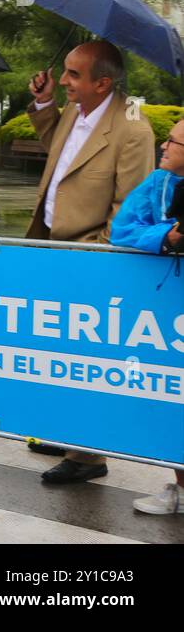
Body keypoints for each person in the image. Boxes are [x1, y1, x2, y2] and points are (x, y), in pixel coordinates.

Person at [24, 40, 155, 485]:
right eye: (63, 71)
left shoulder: (133, 129)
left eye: (73, 76)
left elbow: (130, 207)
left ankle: (87, 456)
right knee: (56, 351)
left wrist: (96, 254)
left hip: (89, 260)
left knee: (86, 357)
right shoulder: (75, 115)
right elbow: (58, 150)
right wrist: (45, 103)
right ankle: (68, 432)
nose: (63, 81)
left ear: (103, 82)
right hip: (50, 252)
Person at [108, 117, 184, 515]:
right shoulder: (157, 183)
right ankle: (181, 487)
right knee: (175, 395)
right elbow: (120, 232)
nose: (164, 147)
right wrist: (167, 236)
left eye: (173, 142)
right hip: (168, 314)